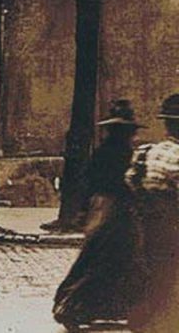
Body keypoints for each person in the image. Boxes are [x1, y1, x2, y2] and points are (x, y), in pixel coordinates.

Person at [53, 100, 146, 329]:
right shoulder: (120, 153)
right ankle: (72, 304)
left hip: (101, 207)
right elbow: (119, 182)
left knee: (99, 255)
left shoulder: (102, 151)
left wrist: (85, 209)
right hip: (114, 210)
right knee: (106, 258)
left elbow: (89, 181)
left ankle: (87, 305)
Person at [126, 94, 179, 332]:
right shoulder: (176, 157)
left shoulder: (146, 152)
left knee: (152, 274)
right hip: (171, 227)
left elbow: (130, 180)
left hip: (145, 224)